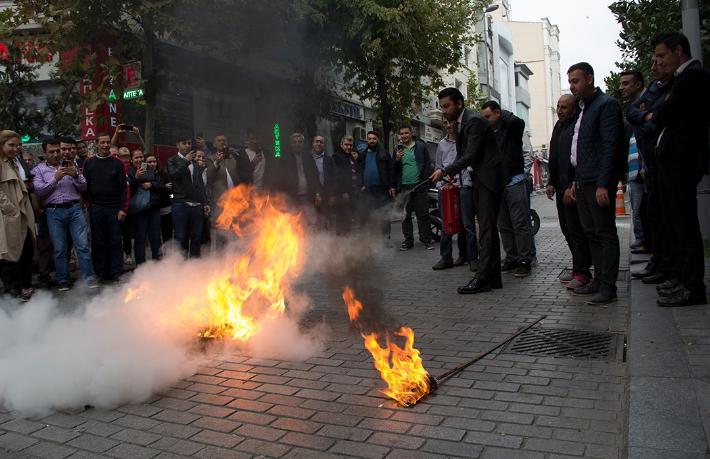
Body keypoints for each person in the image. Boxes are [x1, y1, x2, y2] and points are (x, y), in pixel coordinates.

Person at [651, 32, 710, 306]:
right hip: (672, 163)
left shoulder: (693, 75)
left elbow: (663, 112)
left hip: (681, 163)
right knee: (675, 226)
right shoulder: (679, 79)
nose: (659, 62)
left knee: (684, 227)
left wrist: (658, 110)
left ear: (679, 50)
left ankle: (692, 287)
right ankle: (682, 279)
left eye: (662, 55)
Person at [430, 88, 506, 294]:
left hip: (488, 181)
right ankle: (493, 278)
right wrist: (450, 173)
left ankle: (483, 278)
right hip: (481, 180)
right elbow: (465, 155)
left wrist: (444, 169)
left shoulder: (474, 121)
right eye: (441, 106)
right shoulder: (463, 122)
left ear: (460, 104)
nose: (444, 111)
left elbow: (471, 155)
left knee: (487, 231)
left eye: (447, 106)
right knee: (488, 230)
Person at [566, 62, 625, 305]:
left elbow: (610, 147)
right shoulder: (582, 109)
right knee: (590, 233)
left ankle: (608, 286)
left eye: (576, 81)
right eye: (570, 82)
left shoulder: (606, 105)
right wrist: (575, 182)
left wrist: (603, 184)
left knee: (604, 232)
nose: (572, 86)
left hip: (597, 183)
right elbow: (579, 148)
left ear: (589, 79)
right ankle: (598, 281)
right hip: (582, 181)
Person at [627, 53, 675, 285]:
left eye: (660, 57)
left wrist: (647, 118)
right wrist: (646, 115)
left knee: (666, 219)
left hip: (660, 165)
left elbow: (655, 124)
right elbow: (634, 115)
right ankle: (659, 261)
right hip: (649, 166)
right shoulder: (651, 95)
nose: (654, 63)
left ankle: (673, 270)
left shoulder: (663, 90)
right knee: (653, 215)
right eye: (652, 59)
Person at [32, 138, 98, 290]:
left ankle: (89, 277)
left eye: (58, 151)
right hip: (53, 211)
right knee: (59, 248)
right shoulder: (39, 170)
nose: (56, 154)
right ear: (44, 152)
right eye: (52, 152)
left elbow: (83, 186)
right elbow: (39, 191)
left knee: (82, 245)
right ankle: (63, 280)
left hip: (75, 209)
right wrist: (55, 179)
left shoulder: (71, 165)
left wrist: (75, 175)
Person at [480, 100, 532, 277]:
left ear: (497, 113)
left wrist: (504, 113)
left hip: (515, 181)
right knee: (504, 225)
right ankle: (512, 257)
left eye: (488, 116)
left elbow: (519, 122)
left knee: (520, 224)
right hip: (498, 184)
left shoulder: (511, 129)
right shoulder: (488, 134)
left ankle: (525, 260)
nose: (485, 120)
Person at [546, 94, 592, 289]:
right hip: (559, 186)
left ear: (573, 109)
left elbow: (577, 157)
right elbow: (553, 156)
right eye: (558, 106)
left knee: (576, 231)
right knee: (567, 230)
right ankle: (579, 268)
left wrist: (572, 183)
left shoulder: (577, 126)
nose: (559, 110)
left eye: (564, 107)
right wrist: (550, 182)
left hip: (572, 187)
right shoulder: (558, 127)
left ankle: (582, 272)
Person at [431, 119, 478, 270]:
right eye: (446, 123)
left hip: (463, 185)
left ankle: (470, 257)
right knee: (447, 223)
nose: (449, 125)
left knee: (467, 224)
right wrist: (440, 185)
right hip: (445, 187)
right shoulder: (441, 145)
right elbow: (439, 166)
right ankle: (446, 258)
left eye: (452, 123)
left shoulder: (465, 141)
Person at [83, 132, 128, 282]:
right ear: (96, 144)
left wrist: (123, 209)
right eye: (102, 142)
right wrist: (90, 204)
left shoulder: (118, 163)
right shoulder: (89, 163)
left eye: (107, 142)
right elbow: (84, 186)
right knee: (98, 241)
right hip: (96, 207)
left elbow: (124, 188)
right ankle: (100, 272)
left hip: (114, 208)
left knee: (115, 240)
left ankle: (116, 271)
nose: (105, 145)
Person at [0, 131, 36, 301]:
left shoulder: (15, 162)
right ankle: (11, 298)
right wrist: (10, 209)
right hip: (7, 216)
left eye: (17, 145)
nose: (15, 148)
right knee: (9, 255)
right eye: (11, 145)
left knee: (26, 249)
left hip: (21, 212)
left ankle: (23, 288)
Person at [618, 70, 648, 253]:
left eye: (625, 83)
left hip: (646, 170)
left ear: (638, 85)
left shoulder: (646, 105)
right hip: (634, 171)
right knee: (638, 209)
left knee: (645, 210)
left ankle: (647, 242)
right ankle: (643, 240)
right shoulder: (632, 112)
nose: (621, 88)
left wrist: (645, 166)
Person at [167, 136, 209, 258]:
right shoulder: (172, 160)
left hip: (196, 205)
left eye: (189, 143)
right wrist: (185, 161)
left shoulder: (195, 162)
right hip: (180, 203)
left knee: (196, 237)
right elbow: (174, 175)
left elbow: (200, 184)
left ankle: (194, 268)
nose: (187, 146)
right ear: (177, 145)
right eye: (184, 143)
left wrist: (205, 202)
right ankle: (180, 267)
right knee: (181, 237)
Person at [394, 124, 433, 250]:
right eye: (402, 134)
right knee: (405, 216)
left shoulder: (420, 147)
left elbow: (427, 164)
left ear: (411, 133)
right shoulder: (398, 150)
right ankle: (408, 241)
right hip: (404, 187)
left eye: (406, 133)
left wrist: (427, 181)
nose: (404, 135)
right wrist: (397, 159)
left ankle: (426, 239)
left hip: (419, 185)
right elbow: (393, 169)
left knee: (423, 214)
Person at [127, 150, 165, 264]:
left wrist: (151, 185)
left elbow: (161, 187)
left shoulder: (151, 170)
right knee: (140, 239)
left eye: (141, 158)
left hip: (153, 209)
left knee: (156, 238)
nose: (139, 160)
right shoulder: (129, 172)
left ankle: (157, 265)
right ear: (131, 160)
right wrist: (136, 178)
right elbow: (128, 191)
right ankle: (141, 266)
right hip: (139, 211)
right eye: (136, 158)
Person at [357, 131, 396, 237]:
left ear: (377, 139)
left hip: (382, 189)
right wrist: (360, 185)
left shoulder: (384, 153)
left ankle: (385, 237)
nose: (372, 141)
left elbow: (391, 170)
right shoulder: (362, 155)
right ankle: (372, 239)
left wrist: (391, 186)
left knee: (384, 214)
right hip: (367, 190)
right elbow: (358, 171)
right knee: (369, 215)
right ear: (366, 140)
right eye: (369, 139)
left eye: (374, 138)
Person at [331, 135, 361, 234]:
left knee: (349, 221)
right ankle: (340, 244)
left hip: (352, 194)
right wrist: (343, 192)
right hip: (342, 195)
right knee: (342, 220)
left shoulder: (351, 156)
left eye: (350, 145)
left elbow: (355, 172)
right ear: (341, 144)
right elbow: (337, 177)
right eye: (346, 145)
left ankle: (346, 244)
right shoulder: (336, 157)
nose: (348, 147)